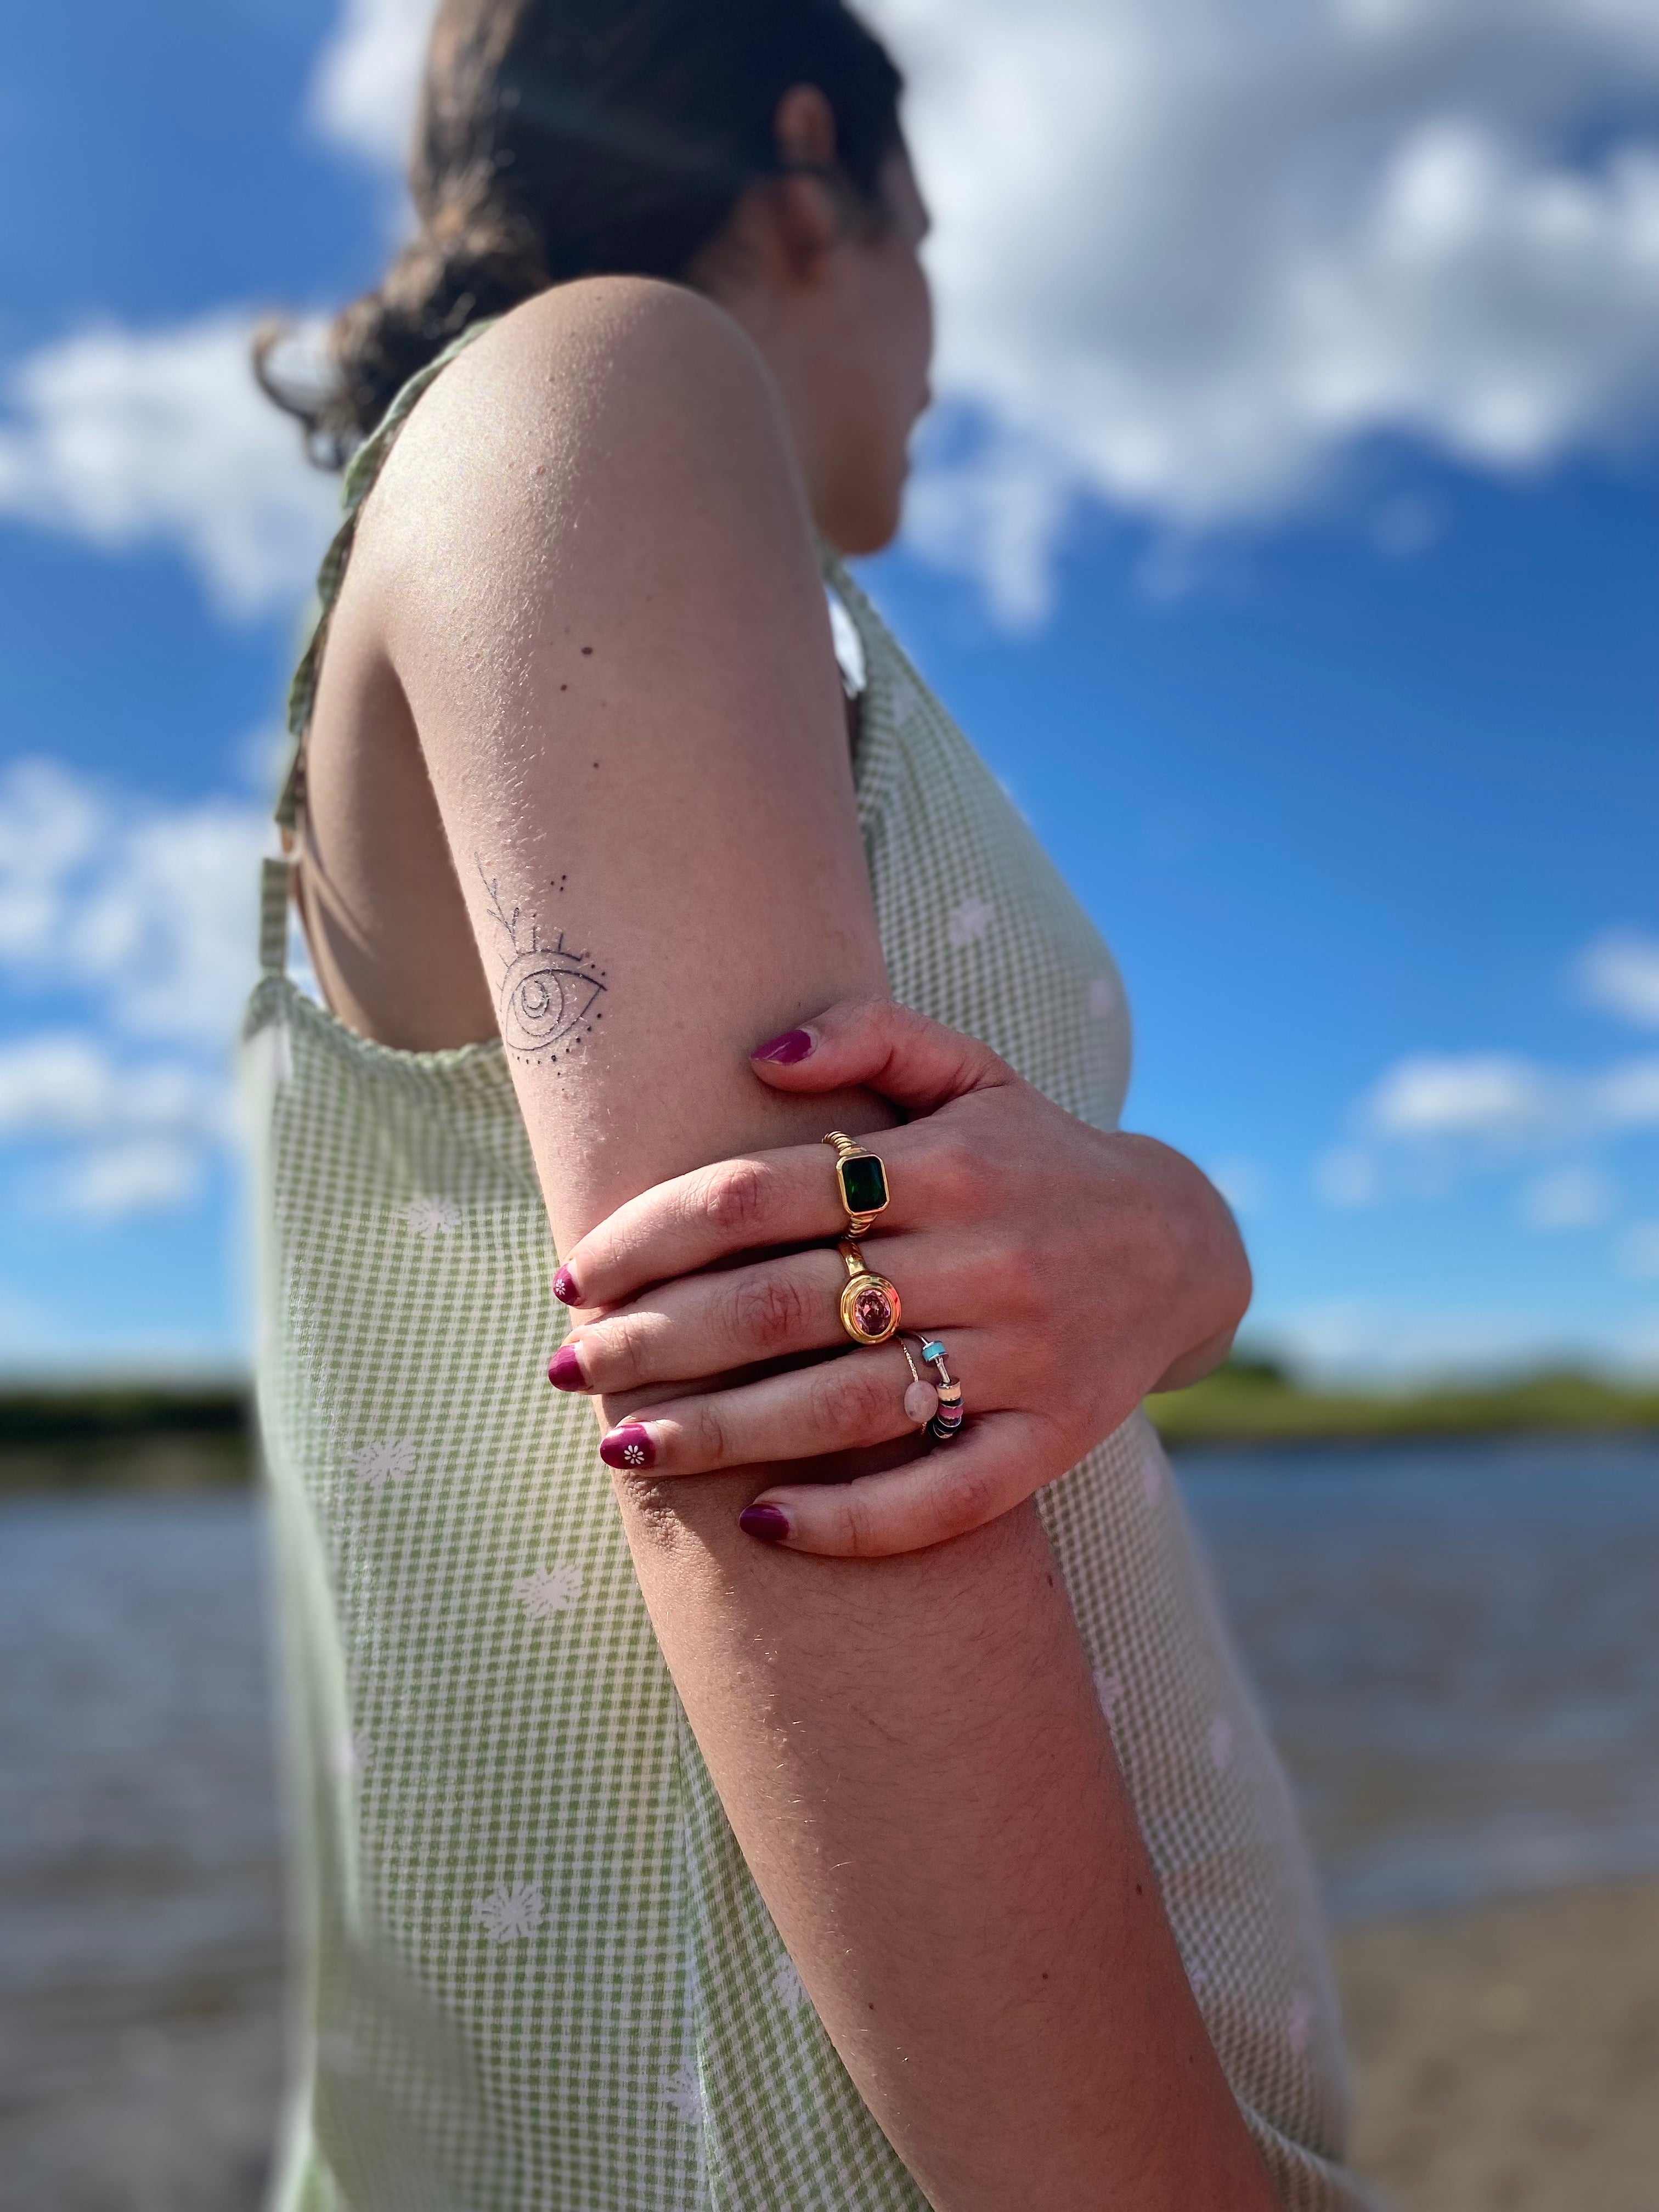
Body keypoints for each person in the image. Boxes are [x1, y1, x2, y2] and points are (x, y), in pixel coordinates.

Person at [249, 2, 1378, 2204]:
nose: (936, 334)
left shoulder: (621, 496)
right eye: (922, 238)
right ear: (809, 167)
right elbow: (793, 1400)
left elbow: (880, 1279)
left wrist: (1188, 1245)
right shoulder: (612, 388)